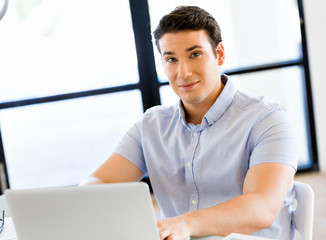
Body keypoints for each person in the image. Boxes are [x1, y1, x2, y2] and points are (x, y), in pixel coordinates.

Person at [80, 6, 298, 240]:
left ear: (219, 54)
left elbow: (261, 209)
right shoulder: (151, 127)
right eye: (171, 59)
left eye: (195, 54)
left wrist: (186, 224)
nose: (183, 72)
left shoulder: (269, 120)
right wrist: (96, 201)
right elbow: (98, 181)